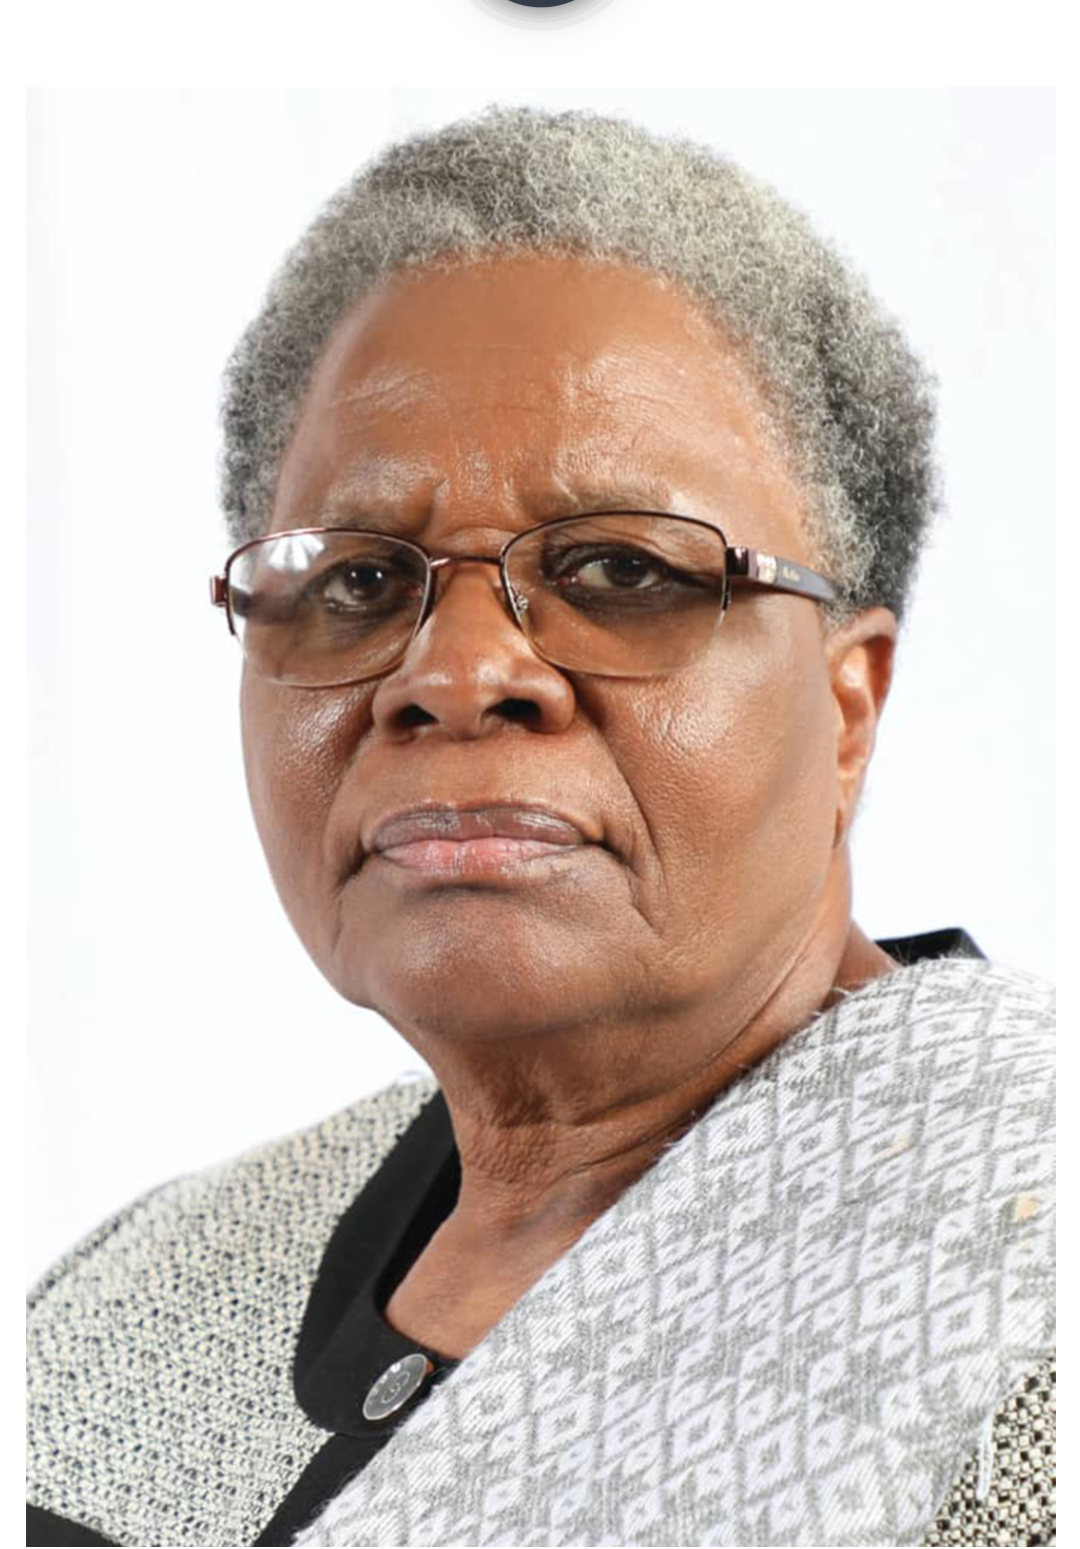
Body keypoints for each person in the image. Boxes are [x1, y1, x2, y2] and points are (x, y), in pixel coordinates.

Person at [26, 105, 1054, 1548]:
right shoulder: (122, 1307)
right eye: (359, 582)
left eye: (620, 569)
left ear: (848, 706)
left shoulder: (1028, 1305)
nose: (455, 673)